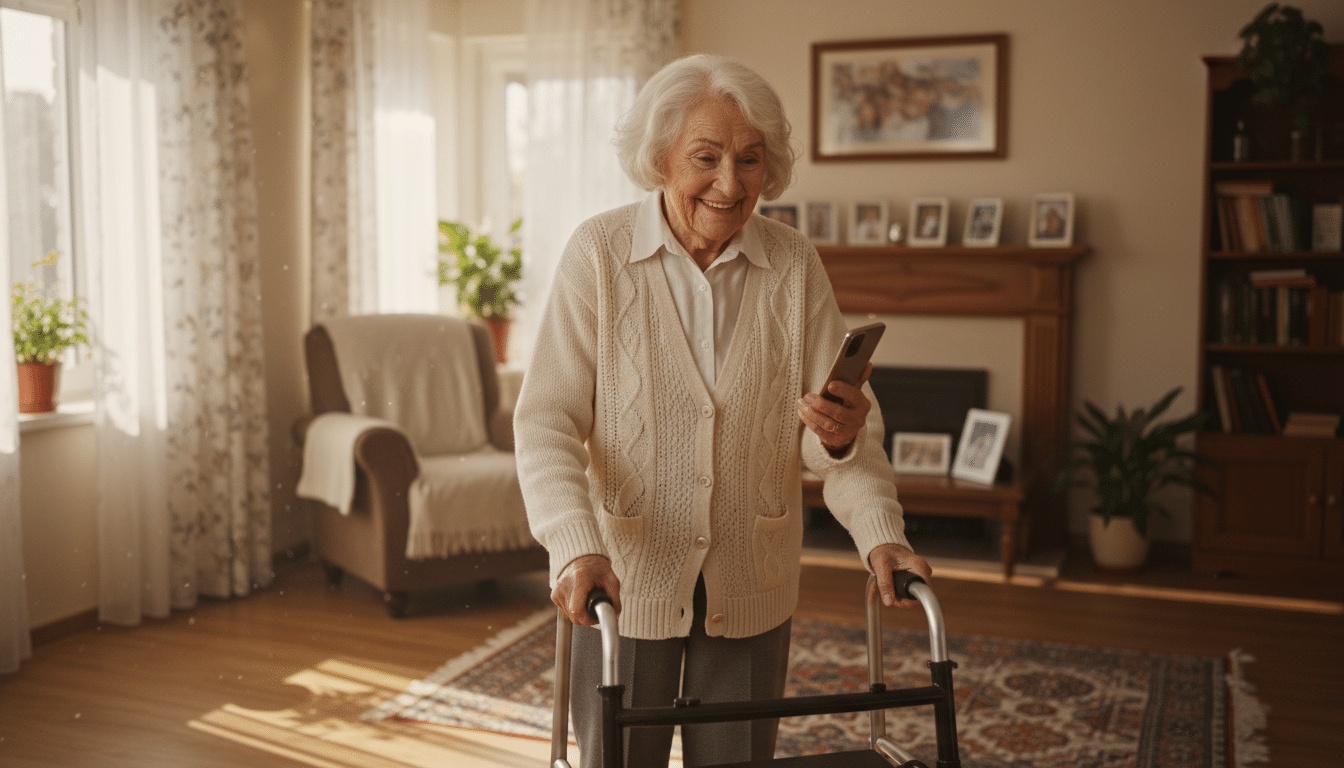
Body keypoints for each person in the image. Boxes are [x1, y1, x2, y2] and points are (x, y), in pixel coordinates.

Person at [513, 53, 932, 768]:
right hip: (624, 582)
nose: (730, 183)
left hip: (752, 582)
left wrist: (878, 530)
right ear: (658, 160)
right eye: (704, 157)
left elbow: (844, 433)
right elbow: (546, 422)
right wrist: (575, 545)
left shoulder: (794, 266)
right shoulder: (599, 256)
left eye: (750, 159)